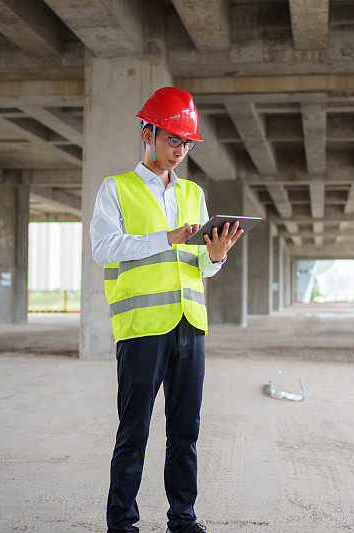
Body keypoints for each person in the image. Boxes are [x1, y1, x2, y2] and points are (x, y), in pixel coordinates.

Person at [89, 86, 243, 533]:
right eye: (174, 139)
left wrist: (216, 254)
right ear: (148, 133)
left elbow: (202, 267)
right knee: (133, 432)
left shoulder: (194, 193)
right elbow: (104, 248)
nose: (180, 150)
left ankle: (184, 520)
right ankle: (121, 523)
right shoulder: (116, 189)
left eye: (187, 143)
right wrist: (168, 238)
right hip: (142, 328)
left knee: (185, 434)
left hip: (190, 327)